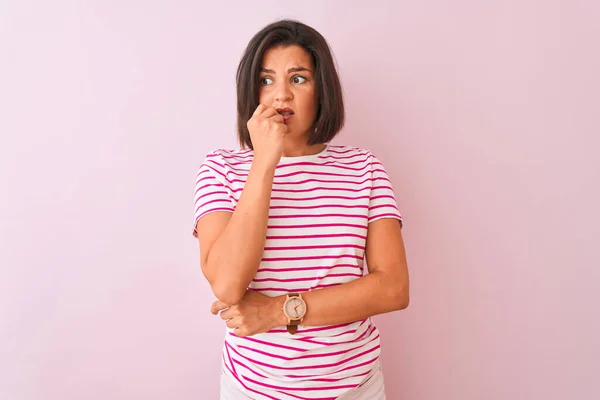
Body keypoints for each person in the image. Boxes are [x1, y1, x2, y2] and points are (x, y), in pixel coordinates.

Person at [192, 19, 409, 400]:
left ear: (321, 89)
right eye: (266, 80)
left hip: (357, 388)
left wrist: (279, 311)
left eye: (298, 79)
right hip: (254, 390)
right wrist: (264, 164)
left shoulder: (364, 167)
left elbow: (392, 288)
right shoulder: (221, 169)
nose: (281, 96)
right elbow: (227, 284)